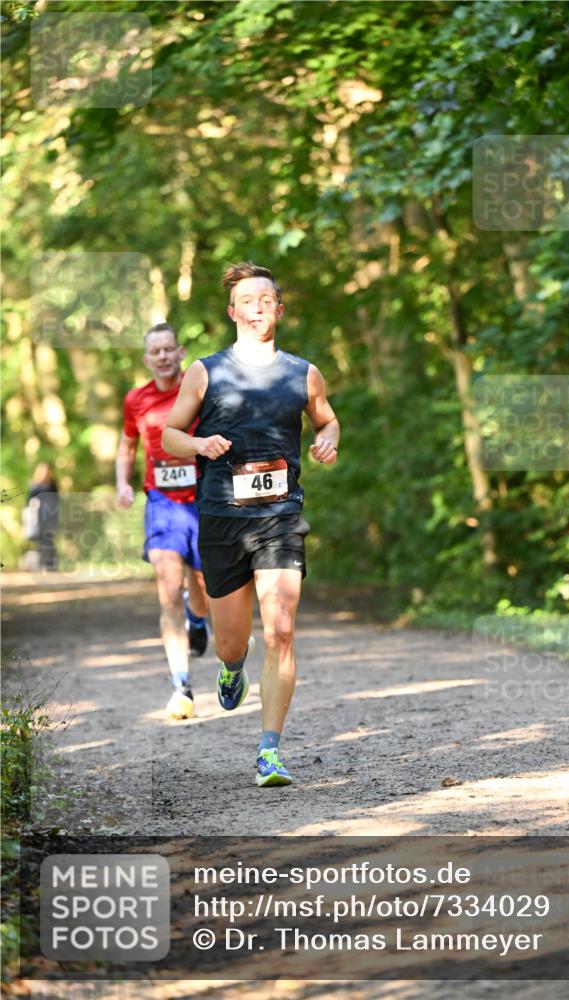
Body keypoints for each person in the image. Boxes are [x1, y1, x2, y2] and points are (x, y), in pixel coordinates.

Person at [162, 262, 339, 787]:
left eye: (268, 300)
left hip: (281, 516)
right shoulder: (206, 371)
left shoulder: (302, 372)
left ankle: (269, 752)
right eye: (248, 300)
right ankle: (231, 667)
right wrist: (198, 444)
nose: (258, 308)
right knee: (232, 642)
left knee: (281, 628)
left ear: (279, 310)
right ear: (233, 311)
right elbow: (171, 433)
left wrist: (329, 437)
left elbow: (327, 417)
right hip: (221, 520)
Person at [116, 322, 210, 721]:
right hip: (162, 502)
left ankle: (199, 618)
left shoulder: (199, 390)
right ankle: (181, 683)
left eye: (169, 349)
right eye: (155, 351)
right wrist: (122, 482)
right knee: (168, 585)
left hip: (204, 500)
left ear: (180, 351)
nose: (163, 356)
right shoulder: (136, 399)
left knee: (204, 585)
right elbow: (127, 445)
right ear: (146, 358)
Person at [23, 462, 59, 570]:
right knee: (40, 541)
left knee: (49, 539)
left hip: (51, 516)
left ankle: (50, 565)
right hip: (38, 517)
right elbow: (28, 502)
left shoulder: (52, 485)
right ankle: (42, 564)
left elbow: (57, 500)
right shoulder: (35, 486)